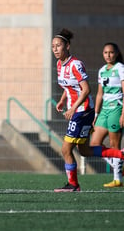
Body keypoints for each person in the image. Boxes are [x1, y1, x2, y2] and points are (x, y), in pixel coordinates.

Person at [52, 28, 124, 192]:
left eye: (58, 46)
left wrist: (73, 108)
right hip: (79, 111)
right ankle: (121, 155)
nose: (55, 49)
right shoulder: (59, 64)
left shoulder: (75, 64)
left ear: (67, 46)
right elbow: (69, 85)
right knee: (84, 150)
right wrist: (63, 101)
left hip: (82, 112)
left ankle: (73, 185)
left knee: (65, 149)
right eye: (53, 46)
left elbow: (86, 90)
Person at [90, 42, 124, 187]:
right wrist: (96, 113)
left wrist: (123, 113)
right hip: (104, 110)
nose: (108, 55)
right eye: (105, 52)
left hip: (117, 108)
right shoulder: (102, 70)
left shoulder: (120, 68)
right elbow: (99, 94)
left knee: (114, 144)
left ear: (116, 53)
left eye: (111, 52)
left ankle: (117, 179)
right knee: (93, 145)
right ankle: (120, 162)